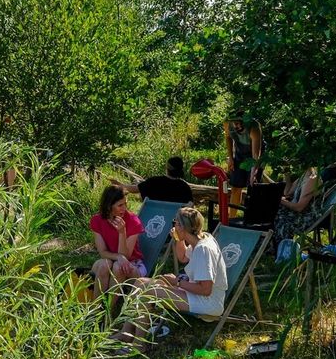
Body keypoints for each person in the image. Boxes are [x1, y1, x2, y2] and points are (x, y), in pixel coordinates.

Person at [117, 206, 228, 340]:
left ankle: (139, 344)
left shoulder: (203, 249)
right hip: (197, 294)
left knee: (148, 292)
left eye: (175, 222)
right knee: (141, 282)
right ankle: (125, 332)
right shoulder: (201, 239)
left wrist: (177, 282)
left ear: (181, 226)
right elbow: (182, 257)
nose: (174, 225)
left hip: (208, 302)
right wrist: (178, 239)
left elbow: (206, 290)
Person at [89, 185, 147, 296]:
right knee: (104, 264)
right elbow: (102, 252)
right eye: (120, 205)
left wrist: (122, 232)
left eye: (125, 203)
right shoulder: (97, 220)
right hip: (111, 260)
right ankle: (96, 308)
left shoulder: (133, 221)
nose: (124, 208)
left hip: (133, 264)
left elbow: (126, 256)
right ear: (109, 205)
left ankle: (109, 311)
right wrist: (118, 257)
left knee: (118, 267)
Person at [273, 164, 336, 247]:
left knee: (278, 216)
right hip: (298, 214)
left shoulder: (313, 179)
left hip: (306, 218)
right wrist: (287, 174)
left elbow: (299, 207)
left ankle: (280, 248)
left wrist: (277, 200)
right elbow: (287, 192)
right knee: (271, 210)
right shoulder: (303, 177)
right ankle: (270, 245)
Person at [225, 117, 266, 201]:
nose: (239, 126)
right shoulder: (227, 123)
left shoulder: (254, 127)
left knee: (253, 186)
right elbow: (228, 137)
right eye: (236, 124)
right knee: (235, 187)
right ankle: (233, 214)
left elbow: (255, 155)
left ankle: (254, 212)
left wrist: (253, 173)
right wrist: (231, 158)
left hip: (254, 154)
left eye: (241, 123)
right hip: (240, 152)